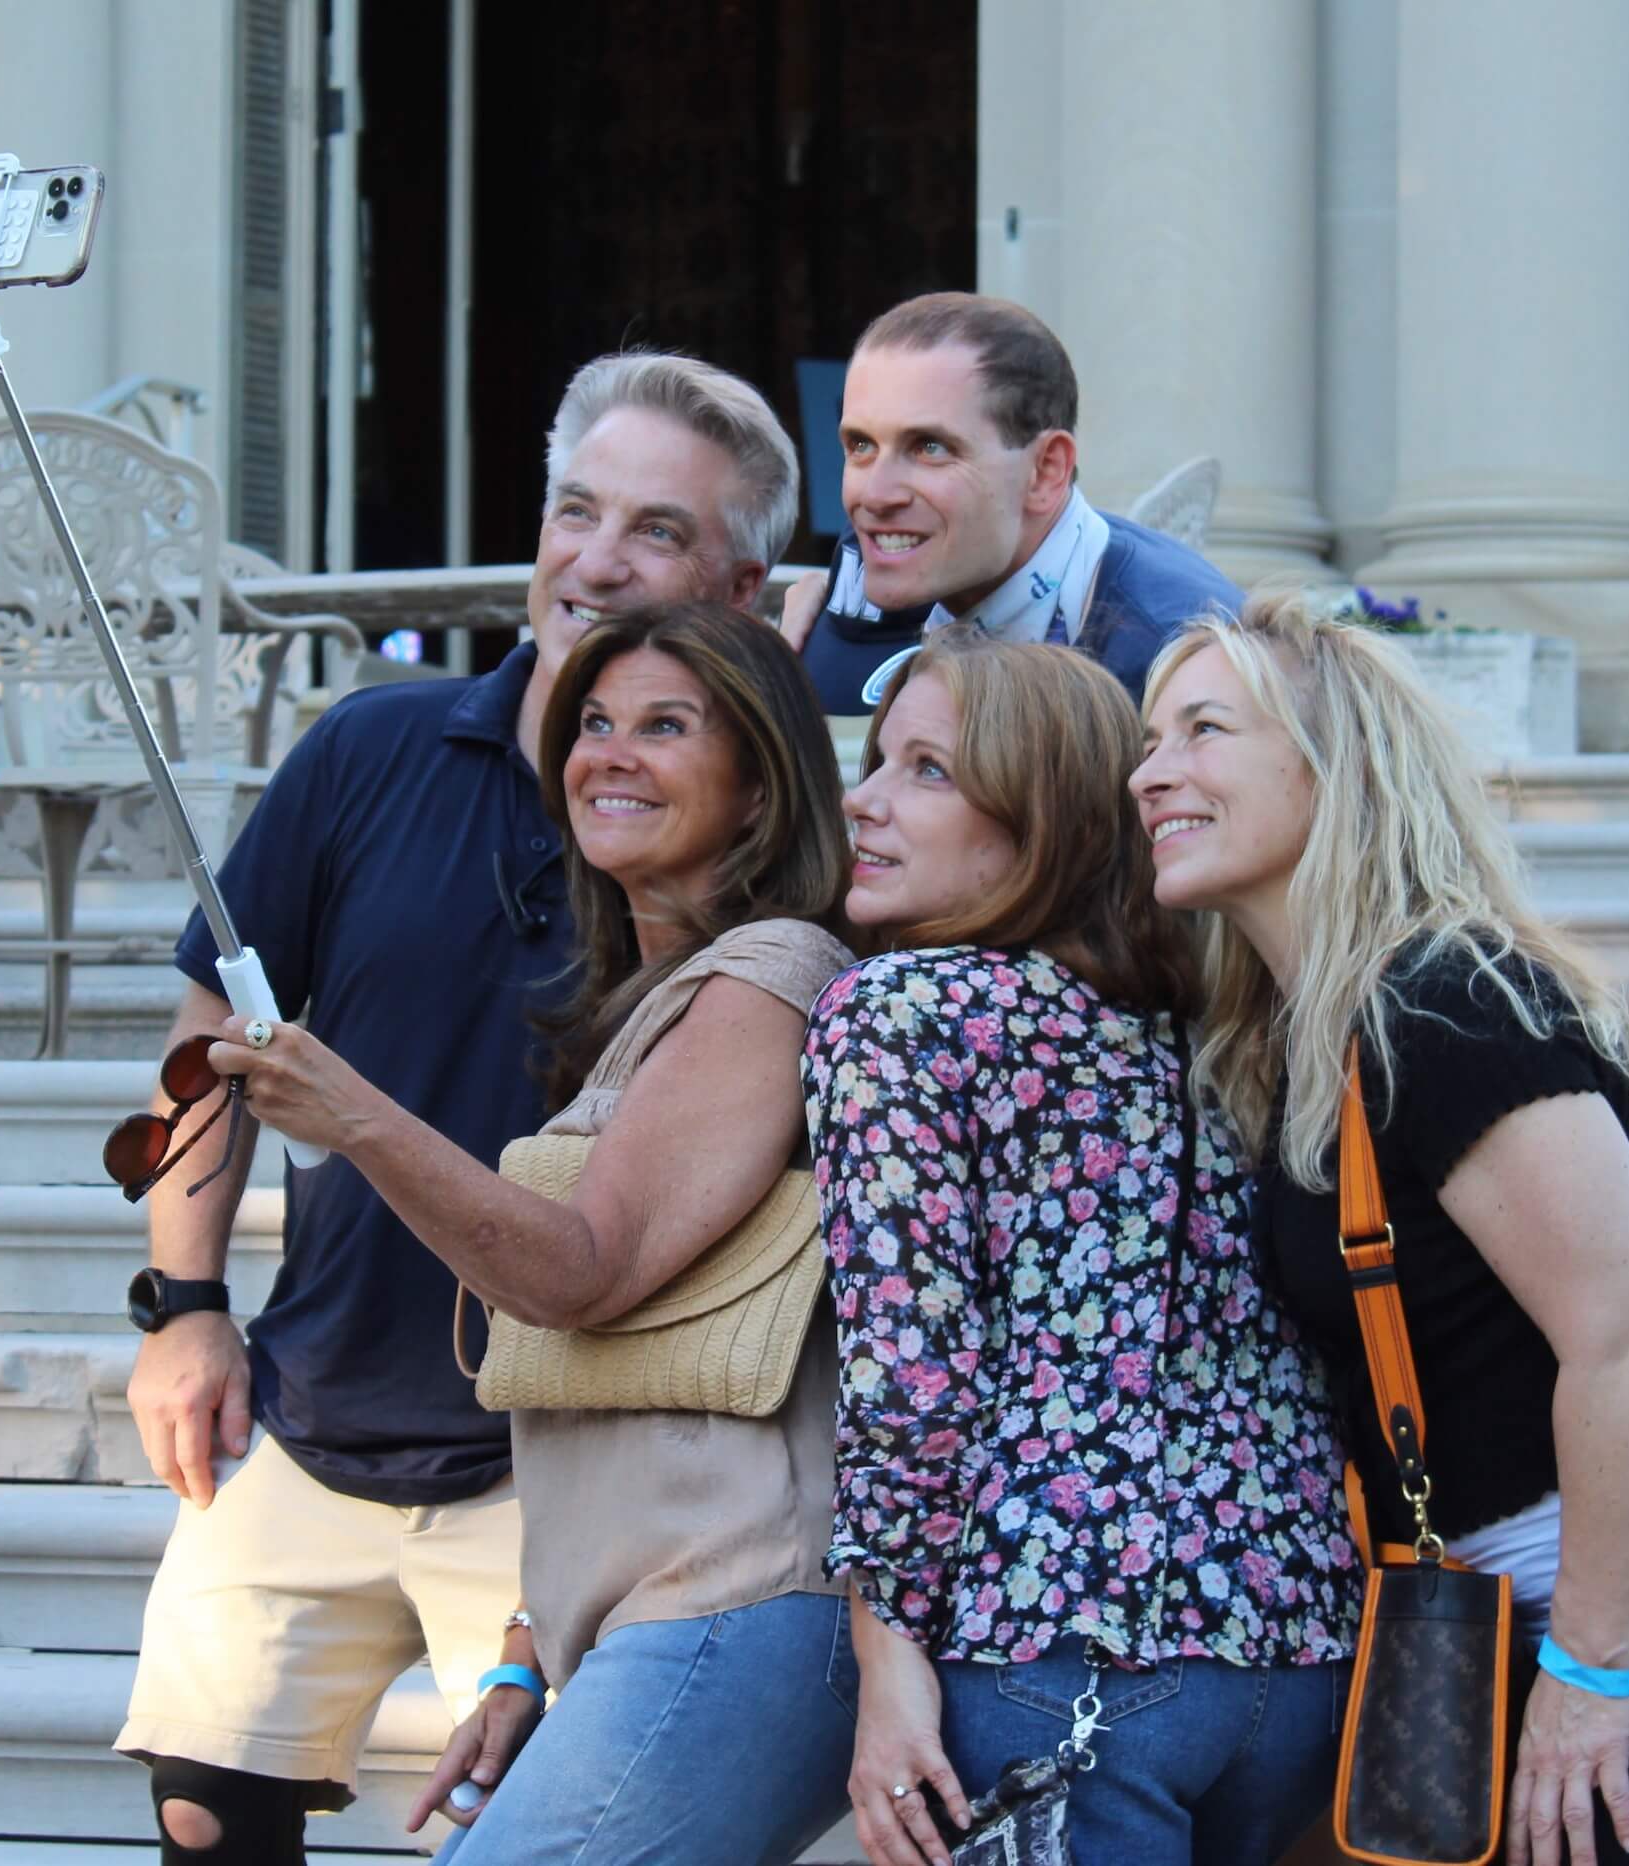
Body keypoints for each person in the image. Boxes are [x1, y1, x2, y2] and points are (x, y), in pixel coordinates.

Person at [114, 353, 804, 1866]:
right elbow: (210, 1035)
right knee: (197, 1813)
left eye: (657, 533)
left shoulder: (739, 850)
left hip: (555, 1454)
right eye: (576, 510)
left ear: (746, 588)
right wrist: (179, 1302)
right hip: (308, 1410)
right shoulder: (368, 748)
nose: (597, 560)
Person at [1131, 590, 1629, 1866]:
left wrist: (1593, 1674)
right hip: (1553, 1608)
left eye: (1203, 730)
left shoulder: (1447, 1005)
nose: (1151, 772)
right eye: (1148, 740)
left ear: (1339, 764)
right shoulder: (1301, 1033)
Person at [209, 601, 863, 1866]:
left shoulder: (771, 972)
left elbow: (581, 1274)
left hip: (737, 1599)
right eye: (595, 725)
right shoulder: (651, 1000)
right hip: (638, 1615)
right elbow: (614, 1402)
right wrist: (524, 1653)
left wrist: (354, 1117)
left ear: (759, 785)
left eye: (666, 726)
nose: (609, 754)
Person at [805, 631, 1357, 1866]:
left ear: (1041, 822)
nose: (865, 799)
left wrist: (888, 1668)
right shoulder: (1213, 1024)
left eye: (928, 771)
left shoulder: (902, 1013)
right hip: (1297, 1662)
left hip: (1060, 1659)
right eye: (878, 760)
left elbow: (912, 1380)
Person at [783, 292, 1241, 715]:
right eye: (861, 445)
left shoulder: (1183, 662)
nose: (875, 496)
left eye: (930, 447)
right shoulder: (913, 565)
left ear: (1045, 471)